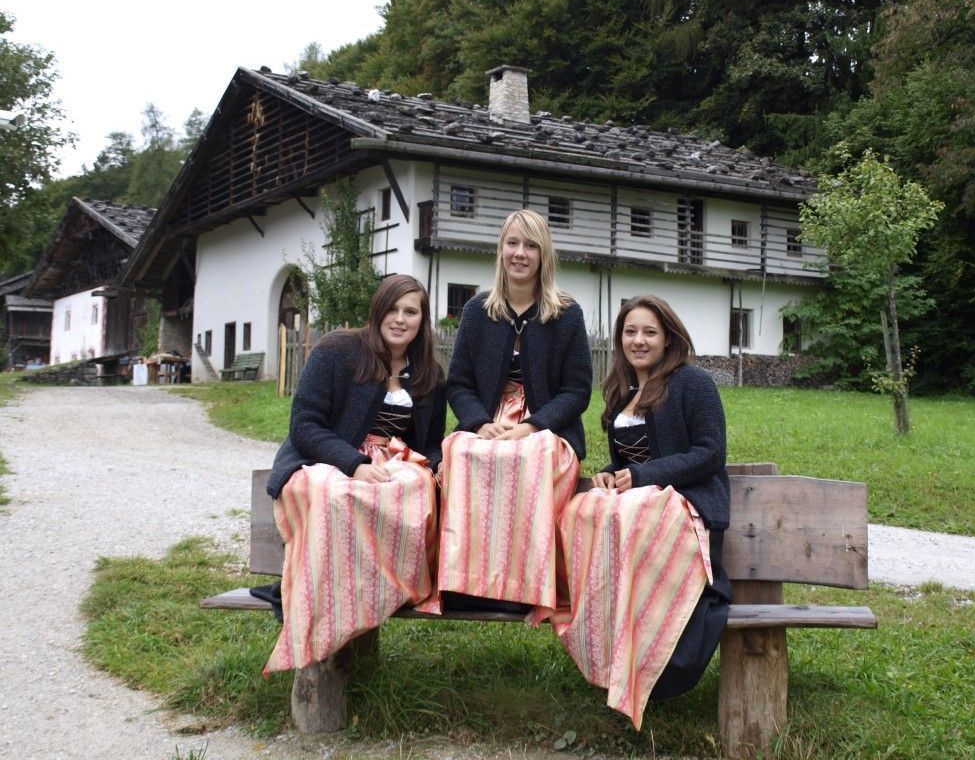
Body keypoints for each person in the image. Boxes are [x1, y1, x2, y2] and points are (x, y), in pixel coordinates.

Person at [552, 295, 730, 728]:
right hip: (642, 503)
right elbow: (629, 457)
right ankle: (605, 638)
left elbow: (709, 454)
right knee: (582, 509)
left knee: (633, 514)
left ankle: (650, 654)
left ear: (668, 337)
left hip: (684, 505)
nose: (639, 340)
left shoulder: (693, 384)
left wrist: (642, 476)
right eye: (630, 331)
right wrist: (613, 474)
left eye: (649, 331)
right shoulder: (619, 390)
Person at [261, 274, 446, 674]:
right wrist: (355, 464)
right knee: (336, 493)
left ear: (422, 319)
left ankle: (381, 590)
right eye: (392, 309)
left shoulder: (429, 373)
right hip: (324, 459)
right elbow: (305, 426)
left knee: (415, 485)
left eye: (410, 311)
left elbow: (430, 445)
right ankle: (319, 612)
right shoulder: (337, 350)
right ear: (377, 311)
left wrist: (435, 467)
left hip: (390, 465)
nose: (400, 319)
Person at [431, 209, 592, 620]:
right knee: (460, 453)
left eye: (530, 245)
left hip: (545, 429)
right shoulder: (477, 311)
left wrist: (530, 428)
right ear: (501, 250)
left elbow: (577, 391)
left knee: (531, 458)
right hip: (489, 422)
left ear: (544, 254)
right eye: (513, 243)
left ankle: (524, 587)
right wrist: (480, 424)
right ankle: (468, 585)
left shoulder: (566, 314)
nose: (520, 253)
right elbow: (460, 384)